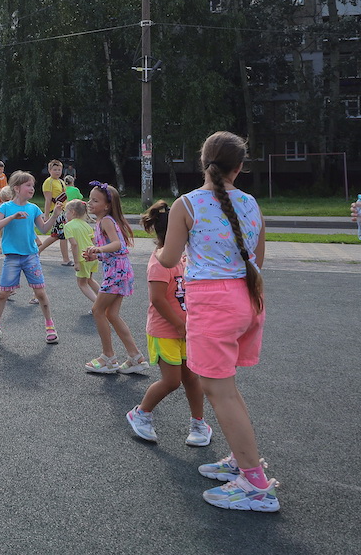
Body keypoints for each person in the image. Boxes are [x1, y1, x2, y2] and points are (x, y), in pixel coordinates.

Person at [159, 131, 278, 512]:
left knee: (220, 391)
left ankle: (256, 486)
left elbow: (168, 259)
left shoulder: (187, 204)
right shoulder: (250, 203)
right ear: (238, 168)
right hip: (247, 298)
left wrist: (160, 247)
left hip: (213, 303)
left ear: (203, 161)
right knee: (226, 387)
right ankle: (245, 461)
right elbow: (257, 257)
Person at [125, 200, 212, 447]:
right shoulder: (160, 263)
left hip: (185, 330)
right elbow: (158, 300)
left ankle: (198, 423)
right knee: (172, 381)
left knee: (193, 379)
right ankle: (140, 413)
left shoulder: (183, 259)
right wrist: (178, 324)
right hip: (165, 331)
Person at [0, 170, 64, 344]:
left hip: (30, 257)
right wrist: (12, 217)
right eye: (28, 185)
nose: (32, 189)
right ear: (17, 188)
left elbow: (43, 229)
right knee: (4, 294)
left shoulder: (33, 208)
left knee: (40, 293)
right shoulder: (6, 207)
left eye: (33, 186)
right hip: (12, 257)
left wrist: (55, 215)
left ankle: (50, 326)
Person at [81, 181, 146, 375]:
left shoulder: (106, 221)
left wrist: (98, 249)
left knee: (97, 310)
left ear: (107, 205)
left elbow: (117, 245)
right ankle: (135, 357)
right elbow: (113, 250)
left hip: (117, 272)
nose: (89, 203)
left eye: (95, 200)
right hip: (120, 270)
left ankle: (108, 357)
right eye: (89, 199)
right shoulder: (104, 221)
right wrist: (97, 255)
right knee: (111, 314)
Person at [62, 199, 99, 306]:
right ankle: (104, 299)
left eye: (66, 212)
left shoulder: (68, 226)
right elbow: (93, 241)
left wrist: (76, 262)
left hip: (82, 258)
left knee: (82, 284)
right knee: (90, 280)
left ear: (73, 212)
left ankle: (99, 305)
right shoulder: (86, 225)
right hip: (91, 257)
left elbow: (74, 244)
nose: (66, 215)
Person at [39, 159, 73, 266]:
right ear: (49, 170)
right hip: (55, 212)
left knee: (57, 235)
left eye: (59, 169)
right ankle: (66, 259)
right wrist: (46, 215)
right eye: (55, 170)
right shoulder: (48, 182)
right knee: (62, 234)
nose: (57, 172)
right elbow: (48, 199)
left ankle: (37, 252)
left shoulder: (61, 181)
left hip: (62, 211)